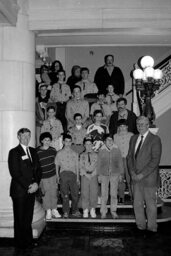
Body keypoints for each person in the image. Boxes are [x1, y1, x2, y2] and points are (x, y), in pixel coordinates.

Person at [8, 128, 41, 254]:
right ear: (18, 136)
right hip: (20, 190)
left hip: (32, 189)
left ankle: (28, 241)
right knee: (20, 218)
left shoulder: (32, 150)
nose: (26, 138)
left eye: (28, 135)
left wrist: (36, 183)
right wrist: (30, 185)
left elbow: (38, 169)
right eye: (24, 136)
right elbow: (15, 173)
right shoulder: (14, 152)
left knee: (28, 217)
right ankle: (20, 244)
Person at [127, 116, 162, 233]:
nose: (140, 126)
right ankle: (140, 225)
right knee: (137, 203)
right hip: (135, 177)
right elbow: (129, 158)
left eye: (143, 124)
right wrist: (132, 172)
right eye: (138, 124)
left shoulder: (155, 139)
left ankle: (152, 227)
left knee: (150, 205)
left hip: (149, 179)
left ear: (148, 125)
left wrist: (141, 175)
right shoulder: (133, 138)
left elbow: (155, 160)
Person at [97, 134, 124, 219]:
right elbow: (99, 164)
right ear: (104, 142)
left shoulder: (117, 150)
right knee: (104, 194)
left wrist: (121, 174)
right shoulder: (101, 150)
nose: (110, 141)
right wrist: (99, 175)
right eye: (108, 140)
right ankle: (103, 212)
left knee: (113, 194)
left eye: (111, 140)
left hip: (115, 174)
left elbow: (120, 162)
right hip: (104, 175)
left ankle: (113, 211)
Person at [55, 134, 81, 218]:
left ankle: (74, 210)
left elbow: (77, 166)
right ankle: (66, 211)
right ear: (63, 142)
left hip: (73, 174)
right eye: (66, 141)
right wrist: (57, 176)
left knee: (75, 194)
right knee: (65, 195)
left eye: (70, 142)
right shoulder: (59, 153)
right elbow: (57, 165)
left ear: (71, 142)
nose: (68, 143)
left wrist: (77, 178)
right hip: (63, 174)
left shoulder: (75, 154)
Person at [37, 132, 61, 220]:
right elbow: (36, 166)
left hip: (53, 175)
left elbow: (57, 163)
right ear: (41, 141)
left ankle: (54, 209)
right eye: (45, 140)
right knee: (46, 193)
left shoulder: (53, 150)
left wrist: (58, 175)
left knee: (54, 192)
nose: (47, 142)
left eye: (48, 140)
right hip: (43, 176)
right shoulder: (37, 151)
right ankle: (48, 210)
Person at [114, 119, 133, 202]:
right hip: (119, 159)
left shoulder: (131, 135)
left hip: (128, 159)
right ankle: (121, 196)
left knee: (129, 178)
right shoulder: (115, 136)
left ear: (127, 126)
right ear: (118, 127)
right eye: (120, 126)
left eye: (124, 126)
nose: (122, 128)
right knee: (120, 179)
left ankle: (132, 195)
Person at [79, 137, 98, 218]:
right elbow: (80, 166)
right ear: (84, 145)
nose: (88, 146)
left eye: (90, 144)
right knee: (84, 193)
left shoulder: (96, 155)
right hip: (85, 176)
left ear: (92, 145)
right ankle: (85, 209)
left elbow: (98, 165)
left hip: (94, 175)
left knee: (94, 193)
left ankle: (92, 208)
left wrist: (94, 173)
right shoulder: (82, 155)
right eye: (86, 144)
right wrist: (85, 174)